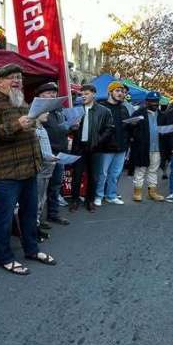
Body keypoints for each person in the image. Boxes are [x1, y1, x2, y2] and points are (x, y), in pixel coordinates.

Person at [0, 64, 55, 275]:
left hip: (28, 170)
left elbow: (30, 134)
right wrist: (17, 125)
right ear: (0, 81)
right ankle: (5, 258)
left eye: (20, 78)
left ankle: (31, 250)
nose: (17, 81)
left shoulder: (23, 103)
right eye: (12, 77)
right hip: (5, 174)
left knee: (29, 215)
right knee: (4, 218)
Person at [68, 84, 113, 213]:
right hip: (78, 147)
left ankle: (90, 201)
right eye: (82, 94)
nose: (83, 96)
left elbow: (109, 128)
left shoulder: (104, 111)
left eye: (86, 94)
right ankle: (75, 201)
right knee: (76, 176)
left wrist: (98, 140)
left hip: (95, 148)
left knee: (93, 177)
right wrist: (72, 127)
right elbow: (68, 127)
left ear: (94, 94)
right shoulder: (76, 110)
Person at [36, 81, 69, 226]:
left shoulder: (58, 109)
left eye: (54, 92)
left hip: (59, 153)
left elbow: (61, 128)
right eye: (49, 92)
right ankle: (37, 219)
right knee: (41, 190)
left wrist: (70, 127)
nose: (52, 94)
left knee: (55, 186)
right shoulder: (37, 109)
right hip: (46, 155)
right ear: (41, 95)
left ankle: (53, 214)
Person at [95, 81, 132, 205]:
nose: (120, 93)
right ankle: (98, 195)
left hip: (121, 146)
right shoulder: (101, 106)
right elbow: (97, 127)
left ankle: (111, 195)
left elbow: (126, 126)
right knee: (102, 174)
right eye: (117, 90)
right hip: (106, 146)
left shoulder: (124, 108)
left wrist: (132, 124)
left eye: (122, 91)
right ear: (110, 92)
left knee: (115, 174)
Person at [129, 91, 165, 202]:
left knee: (153, 171)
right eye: (152, 101)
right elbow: (129, 130)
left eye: (156, 101)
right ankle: (137, 192)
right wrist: (132, 126)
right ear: (147, 102)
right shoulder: (138, 114)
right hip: (142, 148)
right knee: (140, 170)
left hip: (157, 148)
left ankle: (152, 192)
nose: (154, 103)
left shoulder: (163, 115)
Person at [34, 115, 57, 242]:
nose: (48, 114)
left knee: (42, 198)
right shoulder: (34, 130)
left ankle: (37, 225)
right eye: (45, 112)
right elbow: (37, 151)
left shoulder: (42, 129)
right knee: (37, 199)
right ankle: (34, 230)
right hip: (40, 169)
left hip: (47, 169)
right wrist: (50, 157)